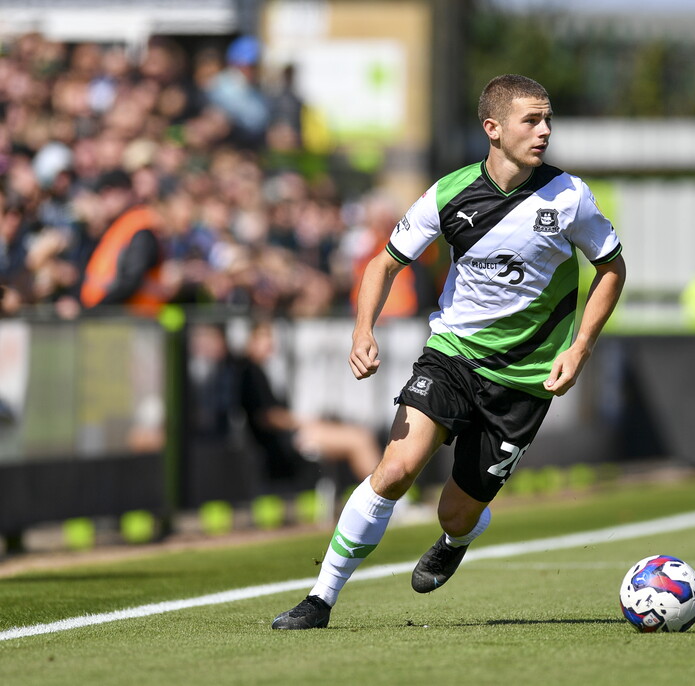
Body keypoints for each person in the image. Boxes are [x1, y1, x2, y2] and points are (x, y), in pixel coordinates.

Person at [272, 74, 626, 630]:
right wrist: (363, 329)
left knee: (456, 512)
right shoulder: (447, 193)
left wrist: (579, 347)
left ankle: (458, 536)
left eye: (548, 119)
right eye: (531, 120)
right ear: (493, 128)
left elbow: (611, 268)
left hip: (526, 379)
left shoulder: (569, 196)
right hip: (452, 355)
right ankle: (320, 599)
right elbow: (384, 263)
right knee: (395, 470)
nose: (545, 131)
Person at [236, 321, 380, 485]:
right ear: (250, 341)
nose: (269, 343)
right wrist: (303, 421)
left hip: (292, 434)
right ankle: (382, 496)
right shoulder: (250, 372)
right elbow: (266, 416)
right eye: (263, 337)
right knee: (358, 439)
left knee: (360, 435)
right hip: (286, 440)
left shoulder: (266, 369)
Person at [79, 169, 167, 316]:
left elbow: (131, 280)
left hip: (136, 320)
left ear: (128, 193)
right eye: (103, 195)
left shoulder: (140, 229)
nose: (106, 200)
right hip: (116, 320)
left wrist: (95, 310)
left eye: (111, 193)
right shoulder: (116, 228)